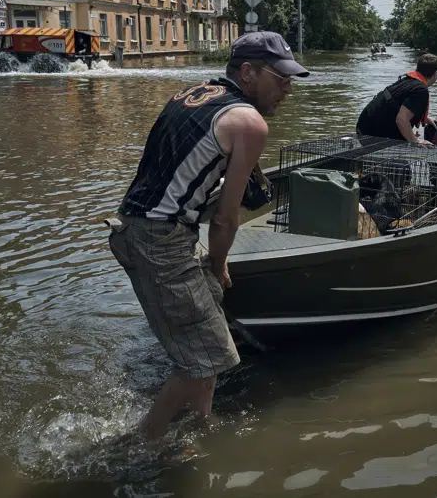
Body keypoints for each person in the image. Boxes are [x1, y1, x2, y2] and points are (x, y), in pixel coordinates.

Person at [106, 30, 308, 442]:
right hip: (160, 241)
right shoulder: (250, 123)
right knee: (209, 357)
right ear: (248, 73)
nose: (287, 90)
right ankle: (142, 443)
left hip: (135, 226)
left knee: (211, 335)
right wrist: (218, 266)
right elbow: (225, 220)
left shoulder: (194, 93)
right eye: (281, 79)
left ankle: (198, 427)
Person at [356, 54, 437, 146]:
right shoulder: (421, 91)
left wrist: (424, 118)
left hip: (363, 128)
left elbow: (397, 105)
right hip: (374, 135)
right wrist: (416, 141)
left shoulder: (407, 80)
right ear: (436, 73)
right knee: (413, 145)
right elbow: (401, 120)